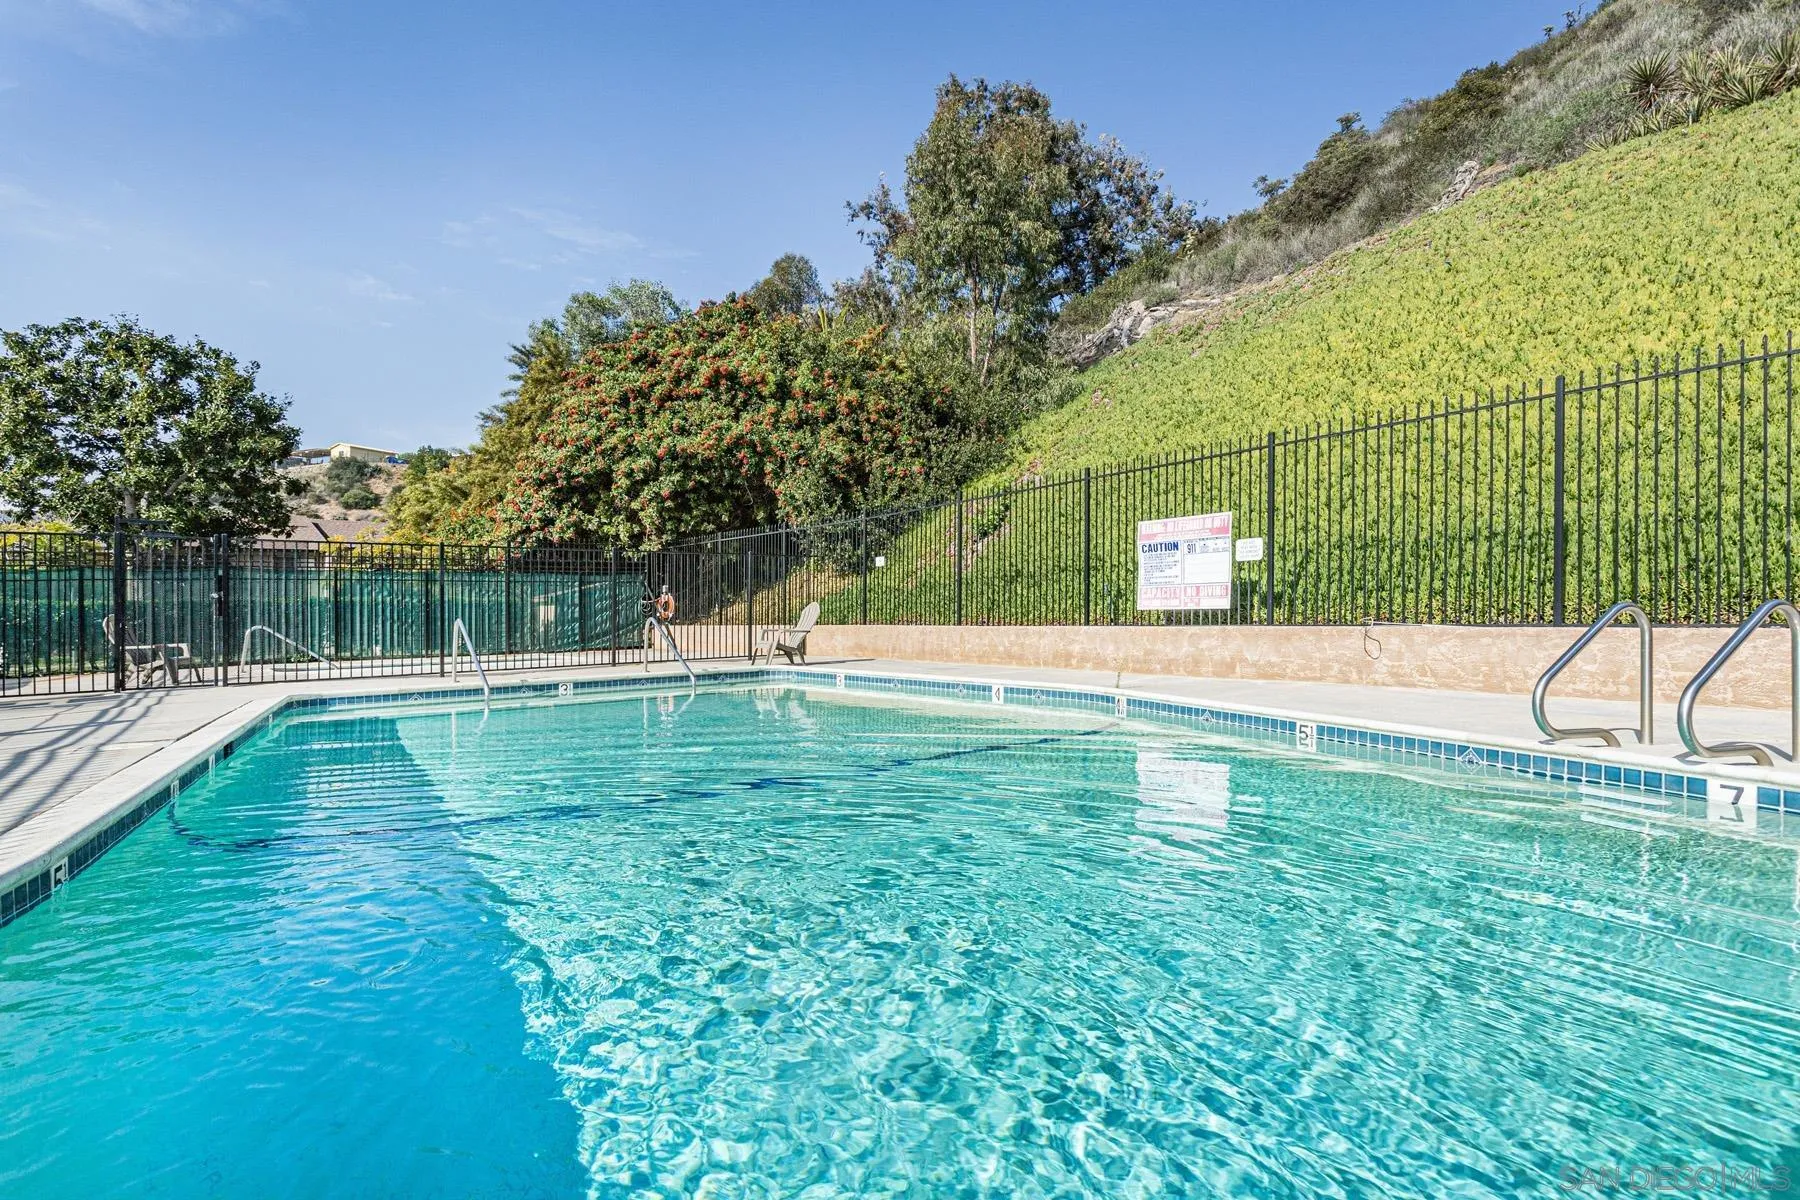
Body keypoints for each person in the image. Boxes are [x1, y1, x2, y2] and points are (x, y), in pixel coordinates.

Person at [641, 583, 677, 663]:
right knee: (651, 622)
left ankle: (675, 650)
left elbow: (670, 605)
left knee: (653, 622)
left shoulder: (665, 600)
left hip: (663, 615)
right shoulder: (657, 603)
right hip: (659, 614)